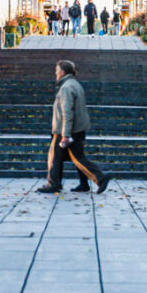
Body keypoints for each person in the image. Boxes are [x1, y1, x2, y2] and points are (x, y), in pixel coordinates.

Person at [37, 60, 111, 195]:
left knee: (56, 157)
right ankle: (83, 184)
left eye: (57, 70)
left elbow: (67, 112)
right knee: (75, 156)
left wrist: (65, 135)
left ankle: (99, 178)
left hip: (65, 129)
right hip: (77, 129)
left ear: (63, 72)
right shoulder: (74, 84)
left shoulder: (66, 88)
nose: (55, 73)